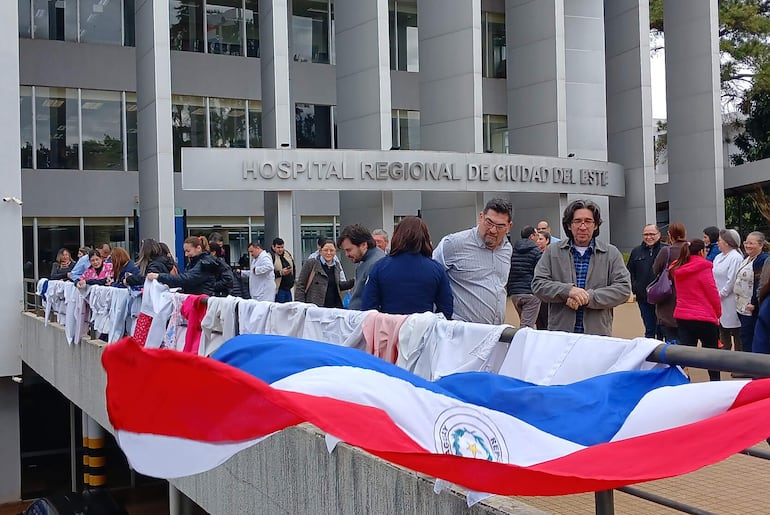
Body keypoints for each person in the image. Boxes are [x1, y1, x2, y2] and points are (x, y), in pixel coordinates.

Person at [532, 199, 631, 336]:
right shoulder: (553, 251)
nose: (583, 226)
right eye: (577, 221)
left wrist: (589, 297)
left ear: (595, 225)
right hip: (560, 334)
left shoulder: (611, 253)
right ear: (569, 225)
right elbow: (538, 284)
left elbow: (623, 289)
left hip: (597, 335)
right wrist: (568, 291)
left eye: (588, 221)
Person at [433, 198, 513, 325]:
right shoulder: (453, 244)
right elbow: (431, 280)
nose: (493, 230)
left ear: (509, 227)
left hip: (495, 334)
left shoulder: (507, 249)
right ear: (481, 217)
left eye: (500, 226)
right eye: (489, 222)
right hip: (461, 332)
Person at [361, 216, 453, 318]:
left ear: (396, 236)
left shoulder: (379, 267)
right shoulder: (437, 269)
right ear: (425, 238)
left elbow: (368, 307)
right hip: (423, 330)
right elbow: (446, 309)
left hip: (389, 330)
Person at [670, 238, 722, 381]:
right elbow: (712, 292)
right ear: (701, 251)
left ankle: (681, 381)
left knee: (684, 354)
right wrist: (718, 313)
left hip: (683, 315)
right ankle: (715, 383)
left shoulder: (678, 267)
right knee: (711, 354)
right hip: (705, 316)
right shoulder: (704, 267)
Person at [627, 224, 666, 339]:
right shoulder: (636, 251)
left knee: (662, 329)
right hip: (643, 297)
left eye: (652, 234)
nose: (649, 237)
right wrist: (635, 287)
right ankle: (649, 355)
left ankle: (662, 355)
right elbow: (629, 271)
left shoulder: (666, 250)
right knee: (649, 329)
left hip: (662, 298)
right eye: (646, 234)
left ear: (658, 235)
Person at [652, 222, 688, 343]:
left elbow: (655, 269)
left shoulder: (666, 251)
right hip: (689, 300)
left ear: (670, 235)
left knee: (672, 340)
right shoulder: (692, 249)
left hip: (669, 299)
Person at [734, 231, 769, 353]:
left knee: (748, 336)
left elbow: (759, 283)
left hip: (750, 306)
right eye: (746, 242)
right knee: (744, 335)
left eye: (751, 243)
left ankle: (750, 367)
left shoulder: (762, 260)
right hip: (741, 304)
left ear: (760, 245)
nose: (748, 245)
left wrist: (754, 303)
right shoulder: (746, 258)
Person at [147, 236, 219, 295]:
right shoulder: (196, 262)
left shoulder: (205, 263)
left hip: (201, 301)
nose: (186, 254)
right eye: (185, 251)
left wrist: (159, 276)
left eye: (188, 251)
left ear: (198, 248)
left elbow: (187, 279)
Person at [338, 224, 385, 310]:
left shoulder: (376, 264)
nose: (347, 254)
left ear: (364, 245)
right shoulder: (364, 260)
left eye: (349, 250)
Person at [295, 239, 354, 307]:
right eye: (326, 250)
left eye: (331, 250)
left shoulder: (336, 265)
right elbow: (300, 286)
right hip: (315, 308)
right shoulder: (311, 263)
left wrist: (353, 281)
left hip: (334, 307)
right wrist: (301, 307)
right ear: (320, 251)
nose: (329, 253)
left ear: (335, 252)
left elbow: (337, 285)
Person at [712, 229, 743, 351]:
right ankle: (724, 361)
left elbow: (732, 280)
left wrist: (720, 294)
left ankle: (739, 365)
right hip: (719, 300)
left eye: (719, 240)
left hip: (731, 300)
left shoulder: (735, 257)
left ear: (727, 242)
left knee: (736, 333)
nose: (717, 243)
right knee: (722, 331)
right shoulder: (718, 257)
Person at [506, 226, 542, 328]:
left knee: (524, 322)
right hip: (530, 293)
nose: (537, 238)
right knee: (526, 327)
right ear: (531, 236)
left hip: (514, 294)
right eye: (536, 235)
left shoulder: (512, 251)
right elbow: (541, 272)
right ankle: (523, 343)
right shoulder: (536, 251)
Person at [270, 238, 295, 303]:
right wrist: (280, 273)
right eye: (278, 247)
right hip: (278, 289)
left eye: (282, 247)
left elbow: (293, 267)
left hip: (288, 288)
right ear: (273, 247)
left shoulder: (287, 254)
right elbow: (269, 274)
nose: (280, 249)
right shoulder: (271, 257)